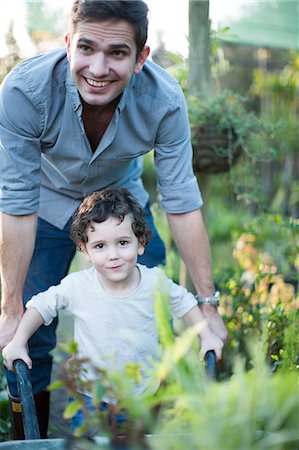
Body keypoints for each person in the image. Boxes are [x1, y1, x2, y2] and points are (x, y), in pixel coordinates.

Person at [0, 0, 227, 439]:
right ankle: (31, 435)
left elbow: (181, 199)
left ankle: (149, 424)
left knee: (155, 308)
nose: (98, 68)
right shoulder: (24, 92)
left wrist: (207, 303)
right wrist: (10, 309)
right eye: (86, 48)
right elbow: (17, 201)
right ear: (68, 44)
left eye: (118, 53)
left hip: (120, 209)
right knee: (28, 332)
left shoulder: (164, 101)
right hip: (43, 208)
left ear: (141, 57)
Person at [2, 187, 224, 434]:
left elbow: (184, 302)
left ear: (140, 244)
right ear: (84, 250)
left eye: (122, 243)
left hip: (142, 397)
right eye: (100, 246)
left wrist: (206, 335)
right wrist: (19, 341)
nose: (113, 255)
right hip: (91, 399)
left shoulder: (154, 282)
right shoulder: (79, 286)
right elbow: (41, 306)